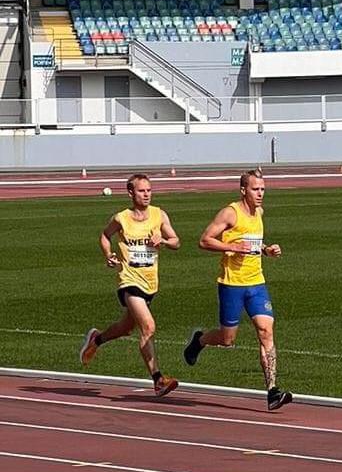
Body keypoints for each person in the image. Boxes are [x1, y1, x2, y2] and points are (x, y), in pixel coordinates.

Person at [184, 170, 292, 411]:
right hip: (232, 284)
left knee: (266, 332)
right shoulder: (230, 213)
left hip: (256, 283)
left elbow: (253, 242)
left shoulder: (259, 213)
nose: (261, 193)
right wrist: (231, 246)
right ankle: (199, 340)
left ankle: (272, 391)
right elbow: (204, 240)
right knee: (227, 339)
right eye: (256, 189)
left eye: (263, 189)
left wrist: (266, 250)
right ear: (243, 190)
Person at [80, 173, 181, 397]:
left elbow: (176, 241)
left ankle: (96, 339)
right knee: (148, 327)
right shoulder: (121, 218)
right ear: (131, 193)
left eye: (149, 190)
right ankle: (158, 380)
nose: (147, 194)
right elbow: (105, 235)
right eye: (142, 191)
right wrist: (108, 255)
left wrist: (163, 241)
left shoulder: (159, 215)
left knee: (126, 327)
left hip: (150, 282)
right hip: (129, 280)